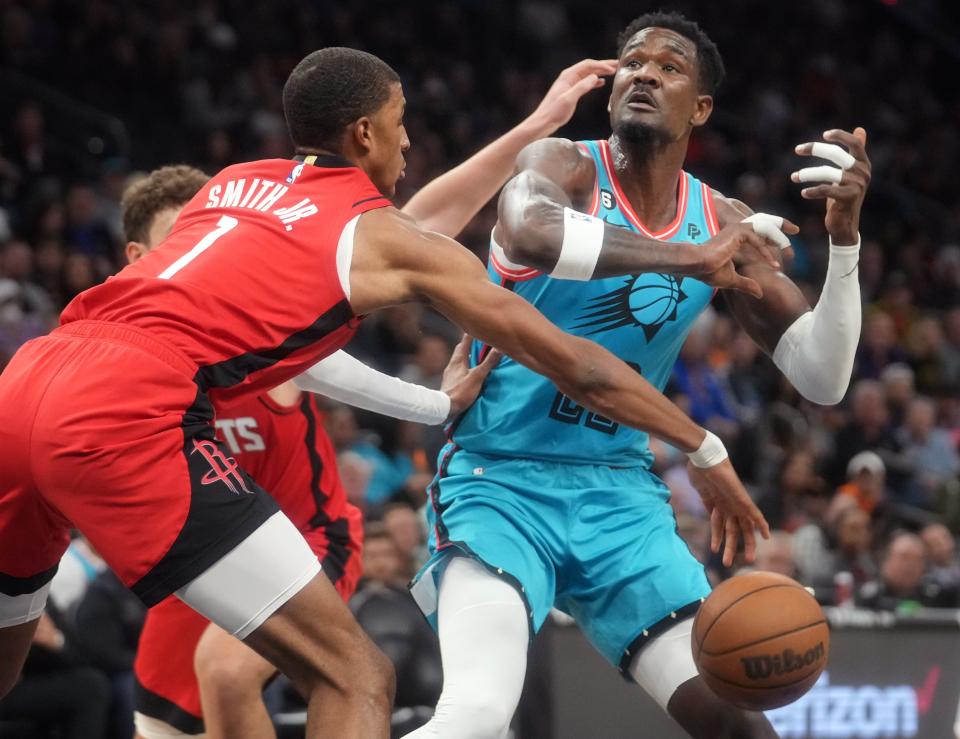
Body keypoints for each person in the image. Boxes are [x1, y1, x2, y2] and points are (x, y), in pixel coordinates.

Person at [0, 46, 765, 739]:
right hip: (122, 413)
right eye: (402, 125)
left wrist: (433, 405)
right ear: (365, 133)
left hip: (28, 381)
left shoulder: (237, 185)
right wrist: (702, 442)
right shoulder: (380, 238)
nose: (410, 142)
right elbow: (579, 364)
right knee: (356, 675)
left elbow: (332, 304)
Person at [406, 11, 870, 739]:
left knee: (741, 727)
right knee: (476, 716)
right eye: (631, 62)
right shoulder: (562, 165)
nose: (644, 73)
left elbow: (823, 378)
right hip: (499, 482)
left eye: (669, 67)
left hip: (620, 499)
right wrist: (693, 261)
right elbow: (533, 232)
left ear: (702, 108)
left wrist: (844, 245)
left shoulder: (719, 217)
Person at [130, 59, 620, 738]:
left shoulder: (256, 301)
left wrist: (535, 128)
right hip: (193, 546)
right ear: (142, 260)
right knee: (160, 725)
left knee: (227, 671)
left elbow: (414, 230)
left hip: (302, 539)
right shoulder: (141, 343)